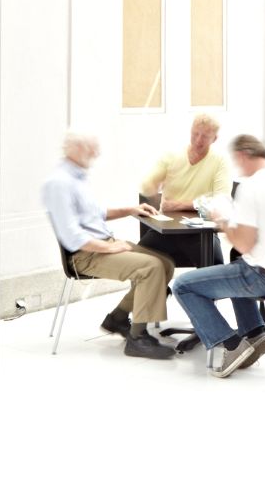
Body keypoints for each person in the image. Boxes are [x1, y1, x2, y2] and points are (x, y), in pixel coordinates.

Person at [171, 135, 265, 378]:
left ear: (243, 156)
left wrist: (222, 220)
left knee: (183, 285)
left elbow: (244, 245)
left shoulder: (251, 187)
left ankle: (231, 345)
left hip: (263, 277)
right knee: (237, 265)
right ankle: (256, 333)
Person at [43, 132, 176, 360]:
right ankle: (137, 339)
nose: (96, 153)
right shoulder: (59, 183)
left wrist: (131, 209)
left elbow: (97, 214)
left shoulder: (77, 179)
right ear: (74, 150)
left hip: (103, 244)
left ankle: (117, 318)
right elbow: (71, 235)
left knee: (165, 264)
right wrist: (109, 248)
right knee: (150, 267)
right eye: (91, 148)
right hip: (86, 254)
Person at [139, 114, 230, 266]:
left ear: (214, 139)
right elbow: (147, 185)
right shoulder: (171, 156)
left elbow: (222, 200)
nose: (198, 140)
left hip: (200, 232)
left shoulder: (220, 162)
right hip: (166, 228)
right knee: (139, 260)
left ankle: (194, 289)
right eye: (195, 134)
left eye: (205, 136)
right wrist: (153, 186)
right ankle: (160, 290)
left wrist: (180, 205)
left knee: (214, 264)